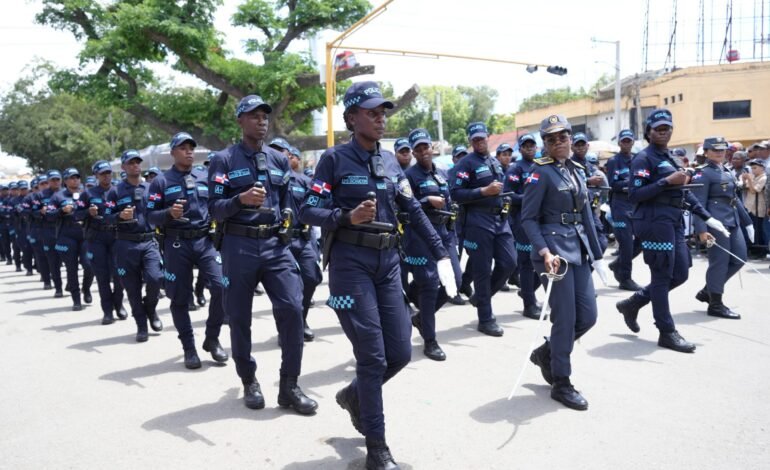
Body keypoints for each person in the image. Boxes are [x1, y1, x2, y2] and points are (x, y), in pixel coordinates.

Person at [299, 81, 454, 470]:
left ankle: (354, 397)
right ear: (352, 118)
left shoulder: (389, 161)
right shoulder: (333, 160)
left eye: (383, 111)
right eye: (372, 112)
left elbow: (414, 210)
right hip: (351, 267)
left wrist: (442, 255)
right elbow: (308, 210)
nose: (380, 118)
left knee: (400, 353)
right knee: (372, 356)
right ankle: (377, 450)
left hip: (389, 266)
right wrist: (345, 216)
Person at [208, 94, 316, 415]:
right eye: (254, 116)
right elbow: (214, 209)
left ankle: (289, 385)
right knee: (239, 318)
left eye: (265, 116)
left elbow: (287, 198)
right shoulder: (223, 160)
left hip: (274, 245)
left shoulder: (279, 159)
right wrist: (240, 199)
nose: (262, 121)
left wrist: (286, 217)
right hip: (238, 246)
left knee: (293, 309)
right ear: (240, 121)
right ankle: (249, 380)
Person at [615, 109, 729, 353]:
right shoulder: (644, 158)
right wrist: (666, 181)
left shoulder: (669, 157)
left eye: (667, 128)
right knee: (662, 276)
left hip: (673, 220)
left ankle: (634, 303)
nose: (663, 132)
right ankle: (666, 331)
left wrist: (707, 217)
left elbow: (684, 192)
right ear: (649, 132)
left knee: (681, 272)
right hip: (655, 222)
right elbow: (634, 194)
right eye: (658, 129)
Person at [521, 115, 604, 410]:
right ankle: (561, 381)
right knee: (565, 317)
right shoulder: (539, 173)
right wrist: (544, 251)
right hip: (553, 254)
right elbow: (528, 218)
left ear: (571, 137)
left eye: (563, 137)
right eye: (551, 139)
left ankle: (547, 352)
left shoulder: (577, 170)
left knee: (588, 316)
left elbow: (584, 213)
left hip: (578, 248)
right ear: (545, 143)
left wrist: (597, 250)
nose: (558, 142)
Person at [146, 132, 228, 368]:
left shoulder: (204, 176)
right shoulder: (160, 182)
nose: (189, 152)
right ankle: (189, 348)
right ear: (172, 153)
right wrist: (168, 214)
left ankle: (212, 339)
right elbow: (149, 215)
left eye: (191, 148)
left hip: (204, 241)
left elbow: (216, 205)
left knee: (221, 287)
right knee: (180, 298)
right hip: (176, 243)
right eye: (183, 148)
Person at [450, 121, 516, 337]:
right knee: (482, 270)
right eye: (475, 139)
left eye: (482, 138)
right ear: (470, 141)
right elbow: (455, 194)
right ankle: (486, 319)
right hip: (478, 222)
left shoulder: (495, 162)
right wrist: (482, 192)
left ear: (488, 137)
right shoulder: (465, 164)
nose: (479, 142)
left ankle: (480, 297)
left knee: (509, 263)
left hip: (500, 220)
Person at [403, 127, 461, 361]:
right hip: (421, 235)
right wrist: (426, 200)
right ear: (414, 153)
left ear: (432, 148)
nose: (423, 151)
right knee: (428, 286)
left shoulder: (443, 173)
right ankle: (430, 340)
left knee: (454, 283)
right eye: (418, 148)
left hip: (445, 233)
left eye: (426, 146)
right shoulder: (408, 176)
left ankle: (421, 318)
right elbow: (403, 205)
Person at [691, 137, 751, 319]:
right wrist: (701, 230)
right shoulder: (703, 173)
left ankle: (708, 290)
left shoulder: (726, 170)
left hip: (732, 221)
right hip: (715, 223)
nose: (719, 153)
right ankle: (715, 304)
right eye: (714, 150)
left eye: (722, 150)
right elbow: (698, 204)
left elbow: (734, 198)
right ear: (706, 152)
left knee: (740, 258)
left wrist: (747, 222)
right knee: (719, 262)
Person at [107, 150, 164, 342]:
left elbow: (160, 209)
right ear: (123, 167)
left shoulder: (152, 188)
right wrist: (119, 216)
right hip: (126, 243)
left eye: (137, 162)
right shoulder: (115, 191)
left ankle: (151, 309)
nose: (135, 166)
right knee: (132, 288)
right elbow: (106, 217)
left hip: (149, 241)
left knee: (155, 279)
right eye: (130, 163)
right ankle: (141, 324)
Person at [284, 142, 322, 342]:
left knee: (311, 278)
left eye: (286, 153)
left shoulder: (303, 181)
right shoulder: (267, 181)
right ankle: (287, 330)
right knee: (287, 287)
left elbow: (316, 206)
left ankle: (302, 318)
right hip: (280, 240)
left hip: (303, 237)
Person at [504, 133, 543, 319]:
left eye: (532, 145)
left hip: (541, 221)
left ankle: (528, 293)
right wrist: (531, 200)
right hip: (521, 221)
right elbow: (508, 195)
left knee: (542, 260)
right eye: (526, 146)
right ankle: (529, 304)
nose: (529, 148)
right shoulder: (515, 169)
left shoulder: (540, 165)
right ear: (520, 149)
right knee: (526, 263)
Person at [83, 160, 127, 324]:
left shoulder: (118, 191)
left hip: (116, 236)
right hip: (97, 239)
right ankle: (107, 311)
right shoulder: (88, 193)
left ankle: (119, 304)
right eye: (102, 173)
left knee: (119, 275)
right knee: (102, 277)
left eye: (108, 173)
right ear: (96, 175)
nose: (106, 176)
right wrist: (88, 211)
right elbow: (76, 215)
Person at [606, 129, 643, 290]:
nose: (626, 143)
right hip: (620, 207)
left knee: (641, 241)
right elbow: (612, 185)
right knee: (626, 244)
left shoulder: (638, 159)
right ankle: (625, 278)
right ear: (619, 143)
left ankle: (618, 263)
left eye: (629, 141)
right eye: (624, 141)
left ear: (633, 142)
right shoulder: (614, 161)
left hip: (636, 206)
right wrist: (630, 183)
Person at [571, 132, 609, 253]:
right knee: (580, 247)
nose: (580, 148)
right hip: (576, 211)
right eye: (577, 145)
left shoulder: (589, 165)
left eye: (583, 145)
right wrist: (588, 181)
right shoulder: (569, 164)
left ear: (587, 146)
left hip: (591, 209)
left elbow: (602, 184)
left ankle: (589, 269)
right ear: (572, 147)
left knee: (601, 244)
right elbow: (569, 184)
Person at [39, 171, 65, 297]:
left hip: (65, 231)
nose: (55, 182)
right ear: (48, 181)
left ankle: (72, 283)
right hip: (48, 231)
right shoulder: (40, 195)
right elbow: (30, 211)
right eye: (52, 180)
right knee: (53, 261)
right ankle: (58, 288)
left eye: (57, 179)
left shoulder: (67, 192)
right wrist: (40, 212)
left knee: (71, 261)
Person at [743, 159, 767, 258]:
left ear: (762, 168)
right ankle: (752, 249)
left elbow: (754, 190)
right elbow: (744, 187)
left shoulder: (763, 178)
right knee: (750, 229)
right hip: (749, 206)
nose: (753, 170)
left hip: (758, 207)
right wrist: (745, 180)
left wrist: (749, 179)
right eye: (752, 168)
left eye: (755, 168)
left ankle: (760, 251)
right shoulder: (753, 177)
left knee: (758, 230)